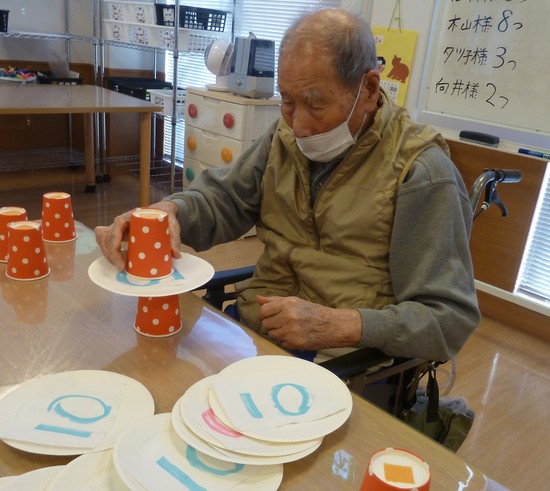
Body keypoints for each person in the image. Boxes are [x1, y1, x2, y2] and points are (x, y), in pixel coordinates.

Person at [96, 8, 480, 364]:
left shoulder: (421, 173)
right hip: (258, 330)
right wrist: (171, 211)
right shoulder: (283, 137)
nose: (298, 126)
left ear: (368, 89)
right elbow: (225, 199)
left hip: (343, 360)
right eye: (288, 101)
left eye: (315, 104)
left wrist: (343, 325)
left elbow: (449, 319)